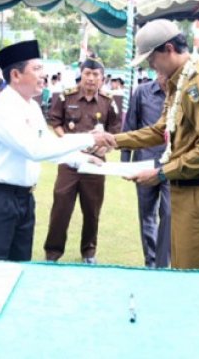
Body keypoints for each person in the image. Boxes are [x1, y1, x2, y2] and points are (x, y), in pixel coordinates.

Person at [98, 19, 199, 270]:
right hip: (185, 191)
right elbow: (162, 130)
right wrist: (115, 140)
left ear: (168, 49)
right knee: (180, 271)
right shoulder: (178, 81)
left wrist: (159, 174)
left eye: (151, 58)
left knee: (193, 278)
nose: (150, 65)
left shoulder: (198, 83)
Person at [0, 40, 114, 262]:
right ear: (16, 75)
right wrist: (88, 138)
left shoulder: (32, 106)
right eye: (36, 69)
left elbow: (47, 143)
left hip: (23, 199)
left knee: (20, 266)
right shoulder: (1, 108)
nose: (43, 75)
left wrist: (81, 160)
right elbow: (34, 149)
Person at [43, 57, 121, 264]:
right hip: (69, 162)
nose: (91, 78)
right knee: (61, 207)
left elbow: (115, 131)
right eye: (87, 73)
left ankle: (89, 252)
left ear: (102, 78)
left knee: (92, 210)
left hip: (95, 164)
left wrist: (105, 146)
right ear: (81, 75)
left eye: (96, 75)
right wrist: (65, 142)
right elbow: (56, 122)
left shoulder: (108, 101)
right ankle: (52, 253)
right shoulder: (66, 97)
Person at [121, 73, 171, 268]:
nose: (163, 75)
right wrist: (125, 161)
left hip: (170, 164)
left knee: (168, 214)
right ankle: (151, 261)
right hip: (144, 161)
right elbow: (130, 126)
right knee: (147, 215)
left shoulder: (181, 93)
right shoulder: (142, 92)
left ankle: (162, 263)